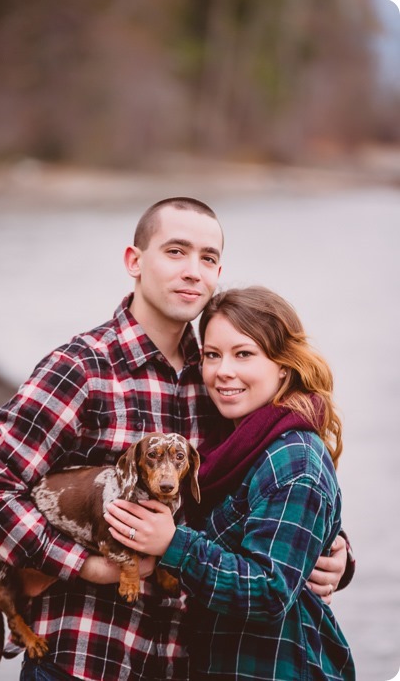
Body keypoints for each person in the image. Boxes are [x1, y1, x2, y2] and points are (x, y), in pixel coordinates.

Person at [0, 200, 351, 681]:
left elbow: (262, 489)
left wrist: (335, 552)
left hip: (183, 661)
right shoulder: (82, 368)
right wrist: (85, 564)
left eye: (207, 258)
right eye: (175, 251)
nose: (192, 271)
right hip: (85, 657)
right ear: (135, 261)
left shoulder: (218, 378)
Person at [105, 286, 355, 680]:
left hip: (277, 667)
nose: (224, 371)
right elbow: (279, 529)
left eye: (244, 354)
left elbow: (270, 590)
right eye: (212, 355)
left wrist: (173, 544)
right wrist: (337, 547)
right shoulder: (233, 440)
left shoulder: (294, 458)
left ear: (283, 366)